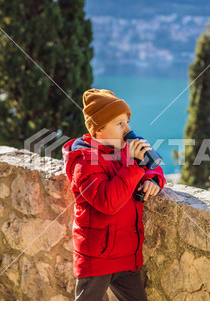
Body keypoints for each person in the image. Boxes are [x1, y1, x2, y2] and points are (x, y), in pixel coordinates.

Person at [62, 88, 166, 301]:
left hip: (127, 256)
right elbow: (107, 201)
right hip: (97, 259)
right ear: (99, 130)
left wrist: (153, 178)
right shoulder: (84, 161)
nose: (127, 130)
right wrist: (134, 164)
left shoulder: (121, 150)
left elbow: (152, 166)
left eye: (127, 122)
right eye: (119, 124)